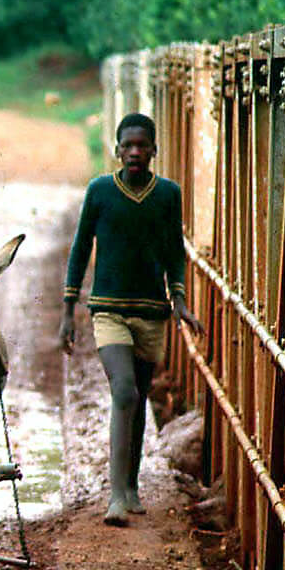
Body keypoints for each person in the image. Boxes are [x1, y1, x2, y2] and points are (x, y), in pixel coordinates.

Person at [59, 112, 205, 526]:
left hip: (150, 315)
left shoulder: (167, 195)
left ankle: (132, 485)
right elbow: (79, 248)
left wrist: (178, 301)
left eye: (143, 146)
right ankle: (116, 495)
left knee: (139, 400)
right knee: (123, 391)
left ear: (154, 150)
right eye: (129, 146)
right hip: (107, 310)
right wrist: (68, 311)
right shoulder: (101, 190)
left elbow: (174, 252)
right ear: (117, 150)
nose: (136, 152)